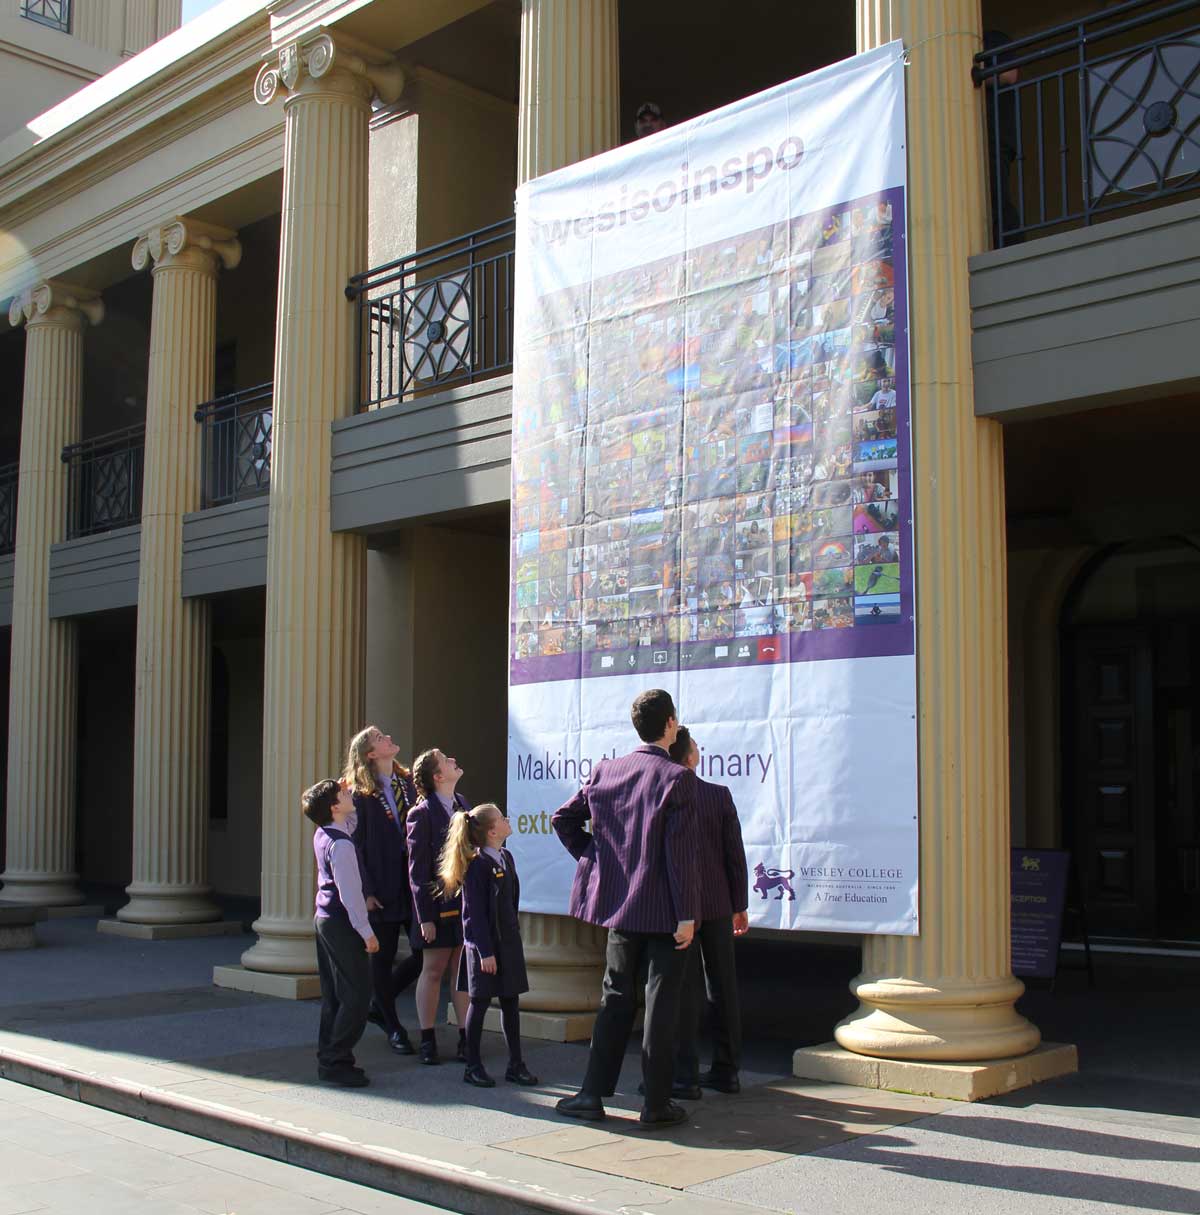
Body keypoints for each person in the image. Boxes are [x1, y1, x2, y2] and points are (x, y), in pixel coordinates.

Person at [552, 688, 700, 1130]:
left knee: (614, 997)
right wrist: (688, 915)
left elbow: (563, 820)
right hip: (666, 910)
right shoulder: (677, 778)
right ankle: (656, 1103)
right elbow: (682, 856)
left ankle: (592, 1094)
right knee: (660, 1002)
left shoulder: (606, 771)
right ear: (671, 724)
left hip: (621, 906)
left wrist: (597, 860)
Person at [668, 727, 750, 1096]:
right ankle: (727, 1069)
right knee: (723, 985)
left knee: (685, 990)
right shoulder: (717, 795)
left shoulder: (668, 793)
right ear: (691, 757)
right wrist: (739, 905)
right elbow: (735, 855)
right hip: (716, 904)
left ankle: (685, 1074)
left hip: (680, 905)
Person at [437, 802, 539, 1089]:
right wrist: (485, 951)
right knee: (479, 1003)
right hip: (484, 947)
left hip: (507, 942)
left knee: (511, 1002)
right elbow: (474, 916)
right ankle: (473, 1065)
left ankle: (515, 1064)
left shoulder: (506, 857)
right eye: (502, 818)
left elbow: (511, 900)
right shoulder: (478, 865)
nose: (508, 820)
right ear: (493, 830)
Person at [345, 725, 421, 1056]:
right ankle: (393, 1025)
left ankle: (379, 1001)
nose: (388, 737)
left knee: (423, 951)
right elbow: (355, 847)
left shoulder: (408, 784)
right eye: (379, 738)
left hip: (411, 882)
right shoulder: (358, 794)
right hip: (381, 885)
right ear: (370, 754)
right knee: (383, 955)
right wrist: (366, 890)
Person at [302, 777, 379, 1088]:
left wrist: (346, 791)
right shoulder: (343, 845)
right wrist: (367, 932)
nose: (349, 794)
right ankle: (337, 1059)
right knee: (358, 994)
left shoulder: (326, 833)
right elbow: (351, 893)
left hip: (325, 919)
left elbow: (351, 820)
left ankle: (331, 1058)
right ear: (334, 807)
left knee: (334, 994)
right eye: (343, 794)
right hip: (342, 922)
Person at [407, 747, 471, 1065]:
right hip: (436, 904)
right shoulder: (421, 813)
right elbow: (417, 872)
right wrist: (425, 918)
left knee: (461, 971)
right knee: (433, 969)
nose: (454, 760)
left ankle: (465, 1036)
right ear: (437, 776)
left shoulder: (463, 805)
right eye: (447, 760)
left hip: (463, 903)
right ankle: (427, 1038)